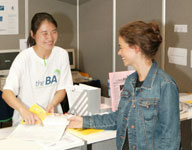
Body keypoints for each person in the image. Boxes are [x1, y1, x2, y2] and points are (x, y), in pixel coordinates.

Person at [68, 21, 180, 150]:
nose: (119, 52)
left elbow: (170, 141)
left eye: (121, 47)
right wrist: (83, 121)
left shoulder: (165, 85)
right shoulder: (130, 81)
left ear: (136, 48)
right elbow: (119, 118)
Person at [2, 12, 73, 126]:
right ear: (33, 34)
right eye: (44, 33)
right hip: (26, 121)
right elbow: (7, 93)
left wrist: (52, 104)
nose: (50, 38)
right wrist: (23, 110)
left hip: (51, 118)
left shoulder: (61, 55)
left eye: (53, 32)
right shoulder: (24, 58)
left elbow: (62, 89)